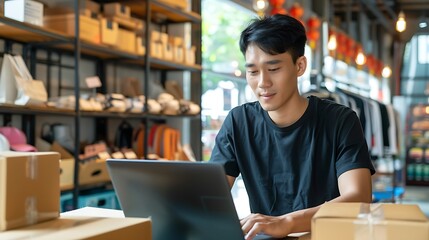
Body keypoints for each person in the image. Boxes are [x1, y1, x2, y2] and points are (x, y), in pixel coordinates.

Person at [209, 14, 375, 240]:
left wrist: (287, 222)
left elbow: (359, 197)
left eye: (274, 69)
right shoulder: (239, 122)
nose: (263, 83)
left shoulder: (340, 120)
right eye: (253, 71)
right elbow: (209, 195)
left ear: (300, 65)